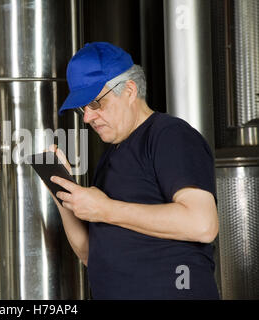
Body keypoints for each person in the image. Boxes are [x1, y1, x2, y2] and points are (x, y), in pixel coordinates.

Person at [50, 42, 220, 299]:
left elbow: (202, 224)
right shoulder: (111, 157)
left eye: (95, 103)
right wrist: (63, 196)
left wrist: (106, 209)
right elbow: (89, 255)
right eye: (82, 108)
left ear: (129, 90)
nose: (87, 118)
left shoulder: (169, 135)